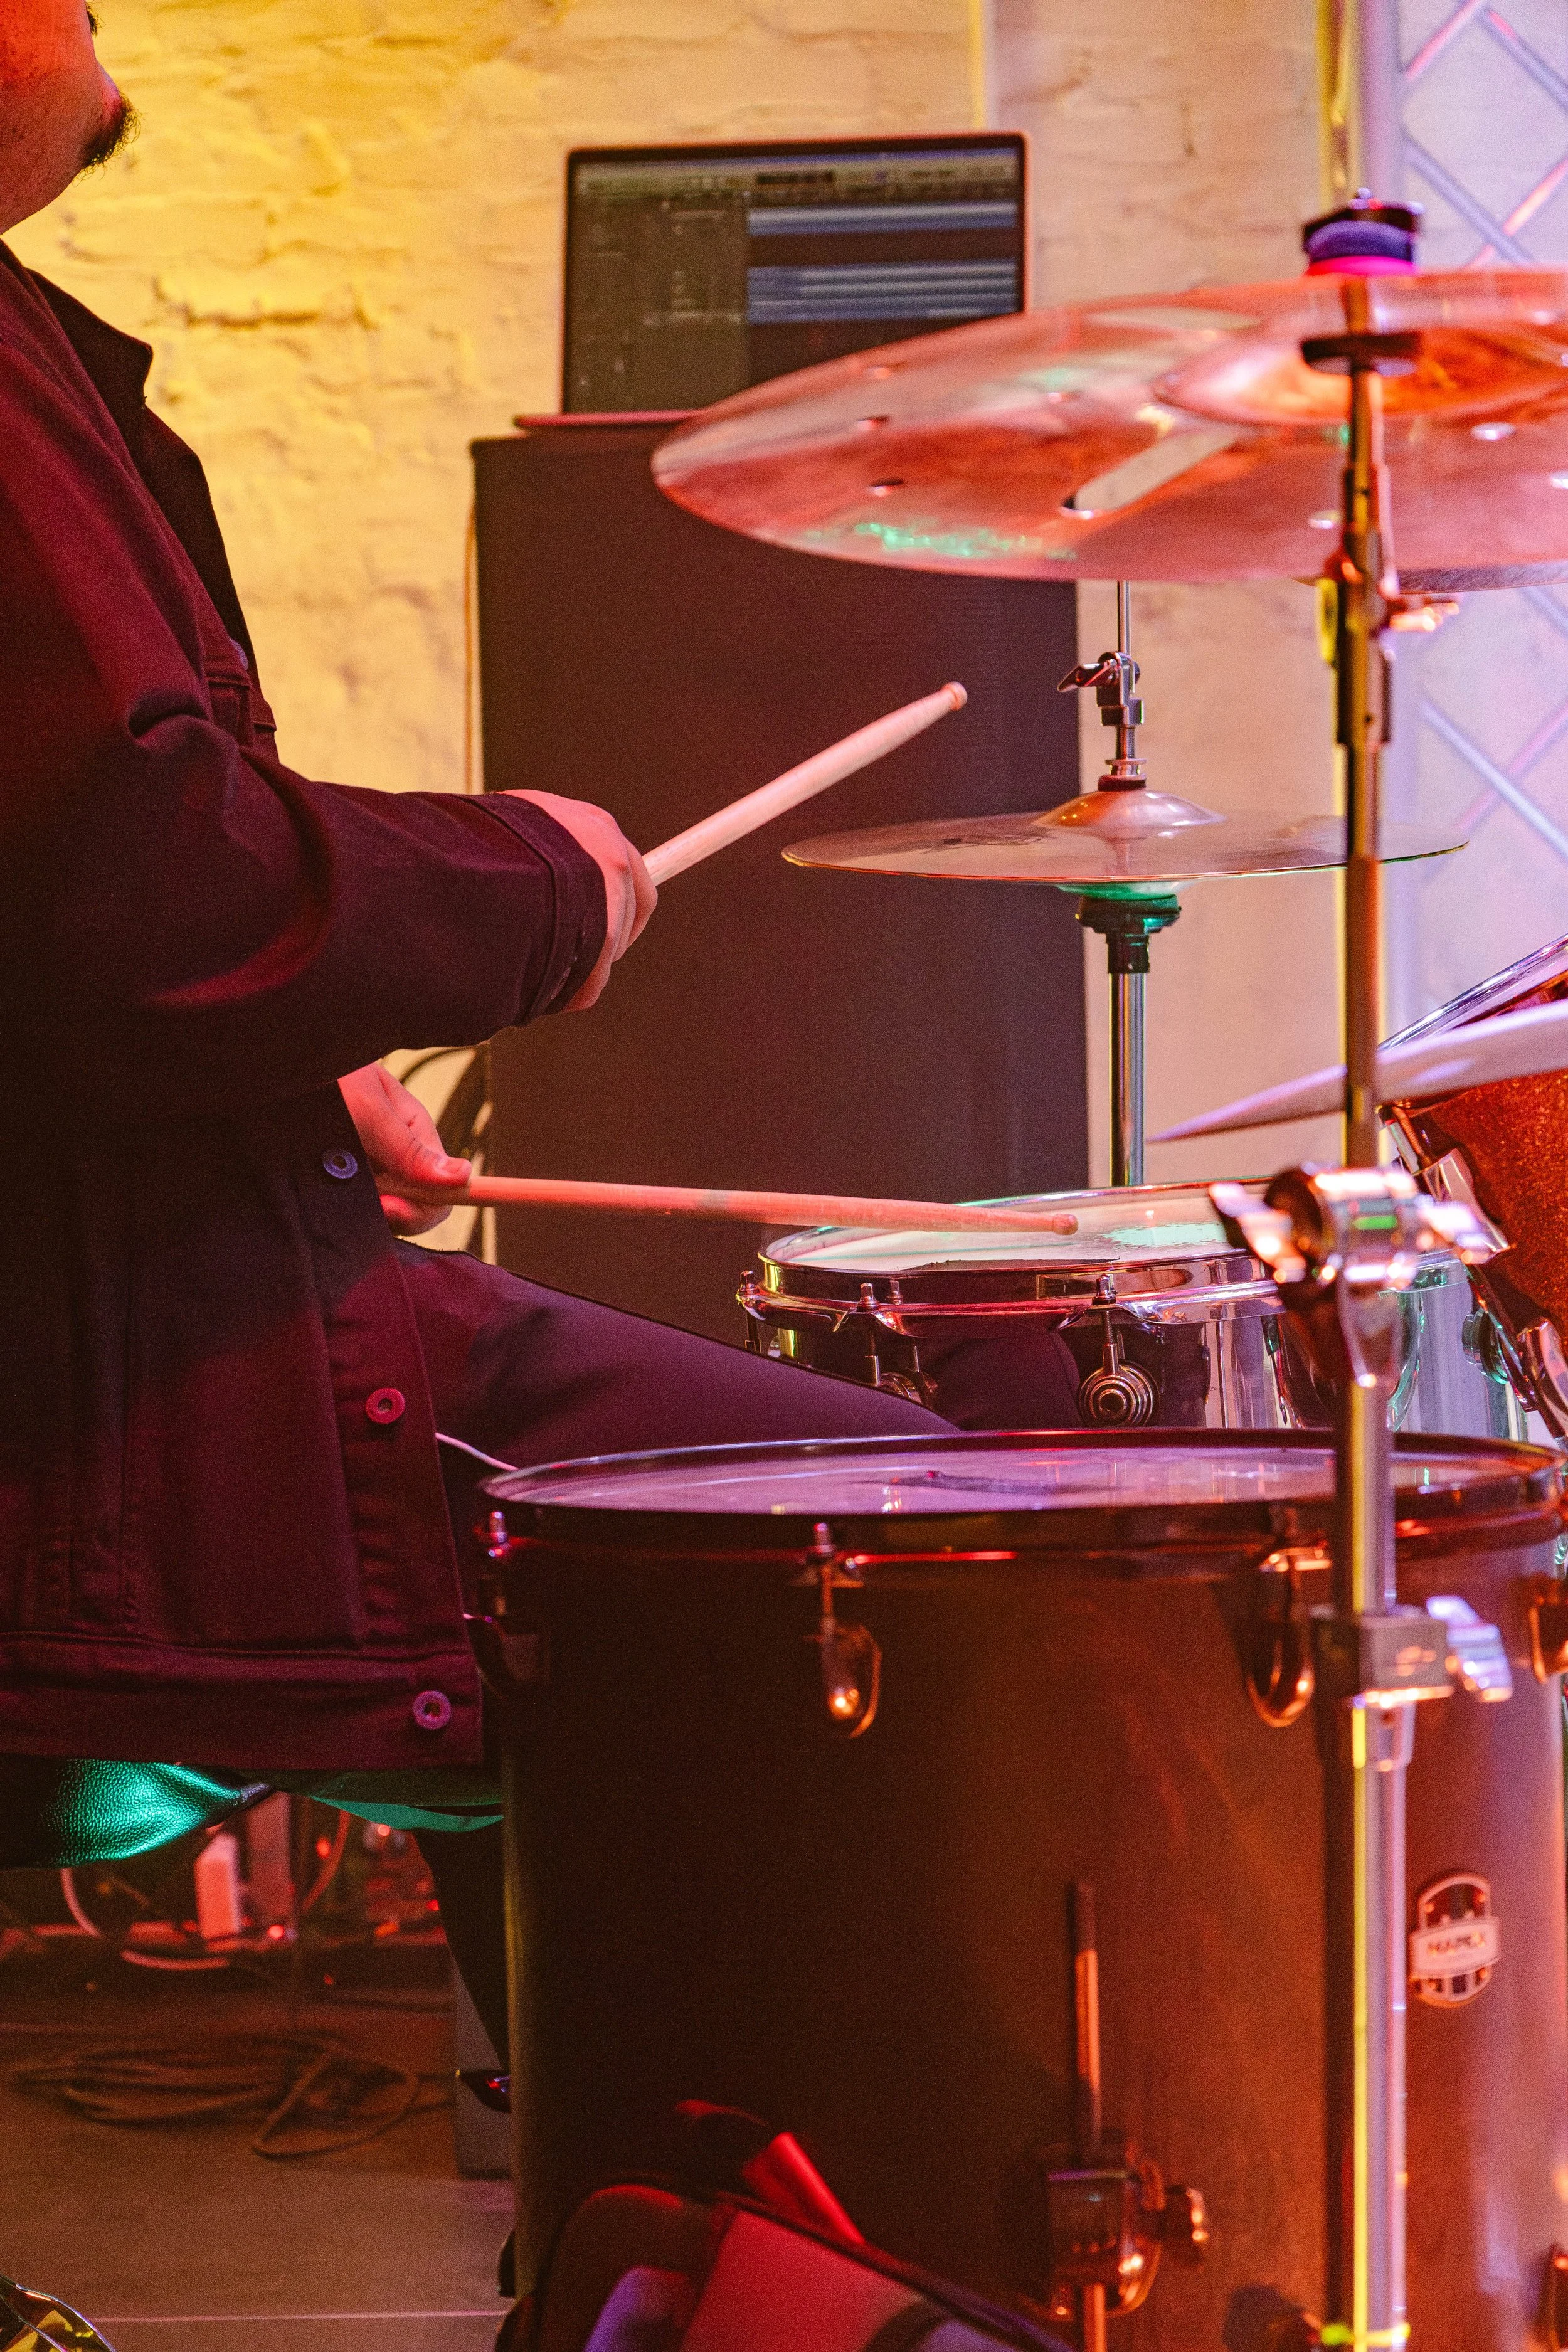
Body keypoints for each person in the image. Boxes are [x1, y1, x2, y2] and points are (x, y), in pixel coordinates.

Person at [0, 0, 945, 2062]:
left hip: (109, 1297)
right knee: (886, 1565)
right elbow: (144, 877)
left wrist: (282, 1065)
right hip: (93, 1405)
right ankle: (718, 2265)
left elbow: (49, 923)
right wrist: (532, 881)